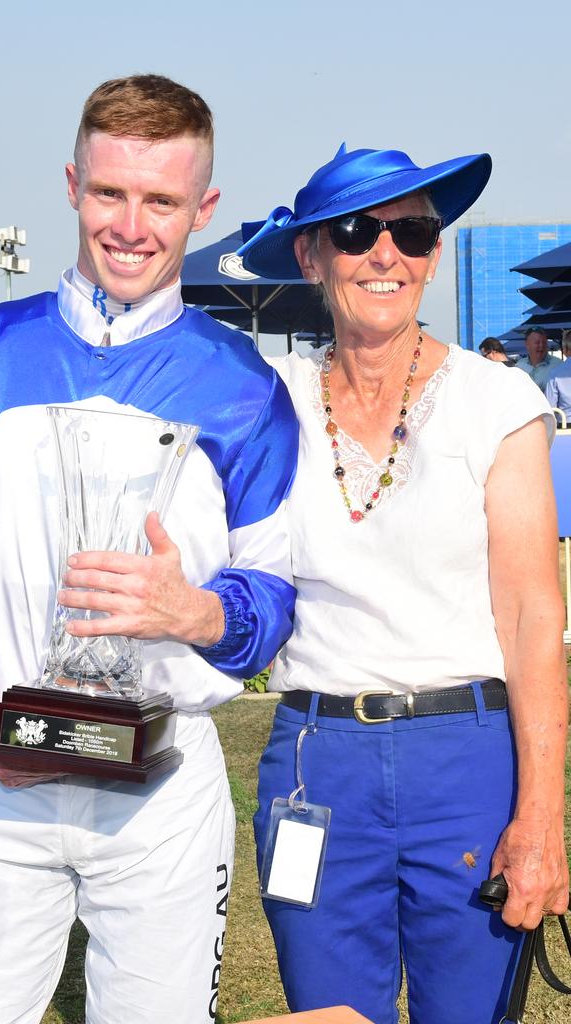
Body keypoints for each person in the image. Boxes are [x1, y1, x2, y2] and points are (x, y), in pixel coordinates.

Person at [0, 74, 299, 1024]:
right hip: (2, 776)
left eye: (162, 201)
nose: (132, 226)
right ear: (72, 184)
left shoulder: (245, 389)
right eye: (111, 193)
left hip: (164, 797)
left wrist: (194, 612)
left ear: (203, 207)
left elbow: (272, 598)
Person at [238, 144, 569, 1024]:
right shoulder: (263, 399)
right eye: (356, 232)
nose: (387, 253)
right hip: (315, 766)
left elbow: (537, 617)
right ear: (310, 255)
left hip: (466, 761)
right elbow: (124, 378)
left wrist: (540, 818)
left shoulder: (498, 402)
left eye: (413, 231)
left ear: (431, 252)